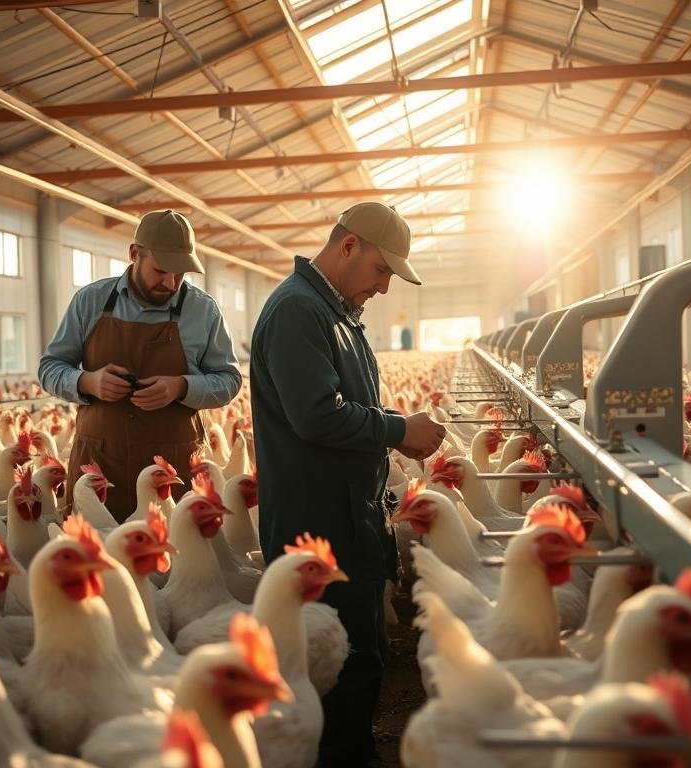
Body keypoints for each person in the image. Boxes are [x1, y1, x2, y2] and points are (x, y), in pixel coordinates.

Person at [249, 202, 446, 767]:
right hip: (318, 525)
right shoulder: (297, 311)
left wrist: (393, 431)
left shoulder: (336, 312)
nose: (384, 287)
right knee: (335, 672)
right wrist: (396, 428)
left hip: (347, 514)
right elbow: (316, 415)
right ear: (349, 245)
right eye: (382, 270)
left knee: (361, 659)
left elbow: (346, 407)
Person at [38, 209, 242, 521]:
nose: (171, 283)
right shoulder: (89, 301)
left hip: (171, 469)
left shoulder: (203, 311)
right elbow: (50, 368)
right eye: (161, 270)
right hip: (99, 462)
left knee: (173, 556)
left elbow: (229, 380)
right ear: (134, 254)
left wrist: (181, 386)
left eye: (181, 274)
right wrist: (87, 382)